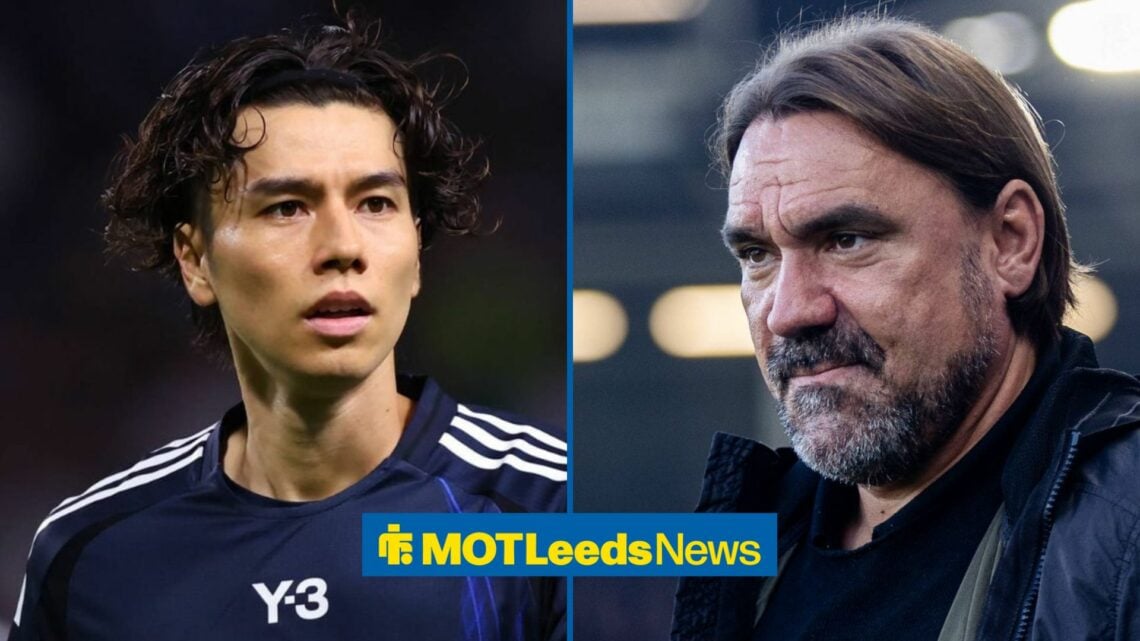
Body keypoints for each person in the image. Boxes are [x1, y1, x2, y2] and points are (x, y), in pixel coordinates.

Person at [9, 17, 566, 641]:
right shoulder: (88, 553)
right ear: (195, 262)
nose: (341, 247)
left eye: (376, 203)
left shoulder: (552, 510)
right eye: (286, 208)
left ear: (416, 251)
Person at [672, 14, 1140, 641]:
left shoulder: (1125, 532)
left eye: (847, 239)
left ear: (1011, 241)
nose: (788, 312)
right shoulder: (747, 553)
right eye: (758, 255)